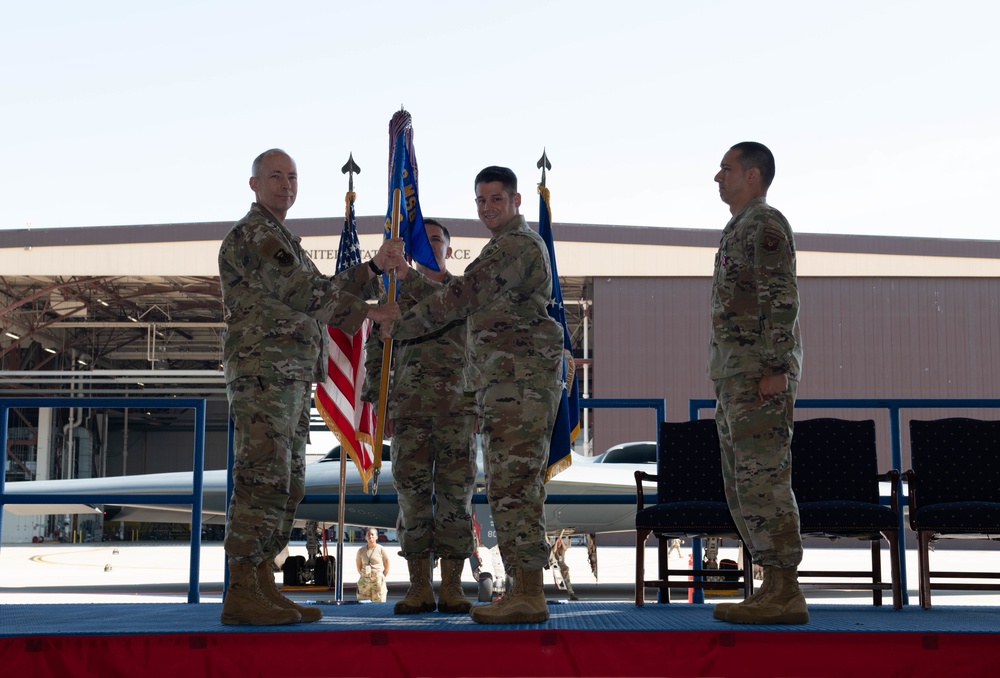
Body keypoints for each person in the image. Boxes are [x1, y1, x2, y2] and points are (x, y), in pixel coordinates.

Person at [218, 148, 402, 626]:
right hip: (265, 374)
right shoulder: (257, 234)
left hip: (291, 376)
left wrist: (373, 269)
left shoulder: (283, 239)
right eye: (276, 176)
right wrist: (371, 311)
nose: (286, 185)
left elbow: (324, 287)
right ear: (254, 184)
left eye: (292, 177)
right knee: (262, 477)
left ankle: (262, 583)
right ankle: (242, 589)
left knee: (286, 482)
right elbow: (305, 293)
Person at [383, 166, 563, 624]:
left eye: (496, 199)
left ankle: (529, 593)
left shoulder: (516, 246)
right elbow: (461, 297)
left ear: (516, 200)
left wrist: (398, 324)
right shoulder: (504, 247)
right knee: (509, 486)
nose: (487, 208)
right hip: (506, 382)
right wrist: (407, 280)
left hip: (518, 383)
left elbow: (460, 297)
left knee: (514, 487)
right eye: (481, 200)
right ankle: (523, 589)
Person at [707, 141, 807, 625]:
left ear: (752, 175)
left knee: (764, 479)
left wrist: (776, 367)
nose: (717, 177)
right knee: (742, 483)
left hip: (758, 375)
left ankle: (786, 589)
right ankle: (772, 584)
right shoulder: (739, 226)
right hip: (736, 374)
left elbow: (780, 298)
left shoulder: (764, 224)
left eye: (726, 168)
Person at [363, 219, 478, 615]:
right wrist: (379, 403)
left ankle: (453, 587)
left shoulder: (463, 291)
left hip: (458, 411)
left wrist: (479, 404)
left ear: (449, 248)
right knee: (412, 500)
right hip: (409, 411)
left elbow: (479, 349)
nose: (430, 246)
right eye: (422, 241)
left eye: (436, 240)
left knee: (455, 499)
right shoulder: (394, 295)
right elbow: (376, 352)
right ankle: (419, 587)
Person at [356, 527, 391, 602]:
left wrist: (381, 577)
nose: (370, 536)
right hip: (365, 583)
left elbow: (387, 565)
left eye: (372, 534)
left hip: (378, 581)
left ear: (376, 537)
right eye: (368, 534)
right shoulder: (361, 551)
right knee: (364, 603)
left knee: (379, 603)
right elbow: (359, 566)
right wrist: (365, 576)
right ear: (366, 537)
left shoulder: (381, 549)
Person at [550, 535, 579, 600]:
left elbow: (565, 548)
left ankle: (564, 583)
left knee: (566, 575)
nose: (559, 544)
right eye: (558, 542)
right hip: (556, 562)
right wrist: (556, 542)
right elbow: (554, 550)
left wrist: (561, 541)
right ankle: (571, 593)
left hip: (562, 563)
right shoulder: (554, 547)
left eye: (560, 542)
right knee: (566, 570)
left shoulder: (562, 547)